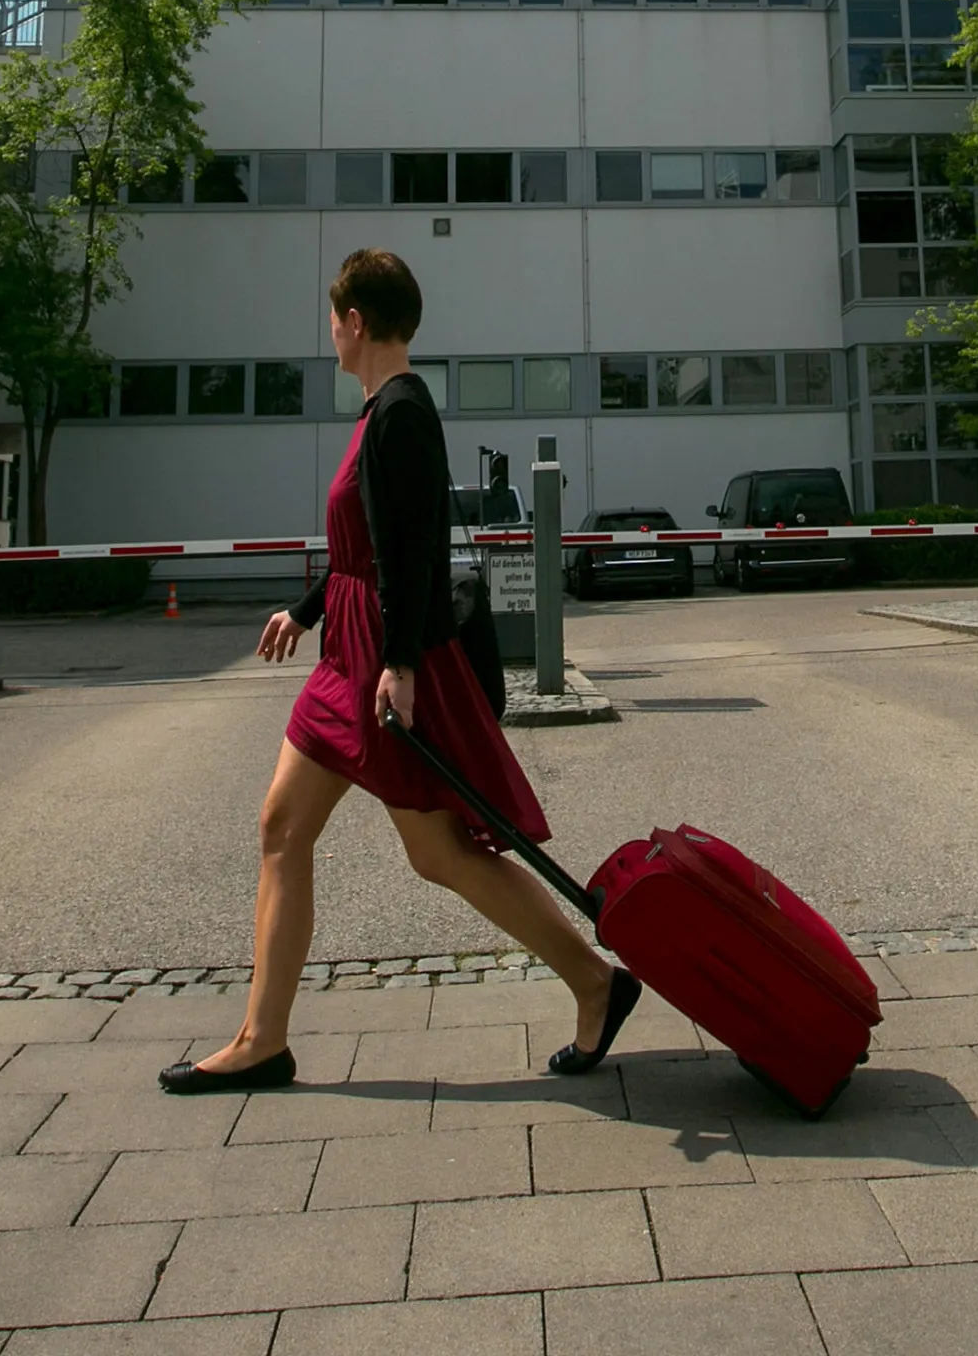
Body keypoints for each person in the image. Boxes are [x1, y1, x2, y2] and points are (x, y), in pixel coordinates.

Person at [162, 248, 638, 1093]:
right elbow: (366, 546)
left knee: (441, 853)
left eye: (333, 319)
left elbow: (411, 554)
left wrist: (401, 666)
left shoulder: (401, 414)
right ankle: (261, 1036)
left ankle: (595, 979)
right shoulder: (383, 410)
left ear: (355, 321)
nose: (330, 335)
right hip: (349, 652)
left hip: (374, 663)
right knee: (284, 828)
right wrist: (304, 610)